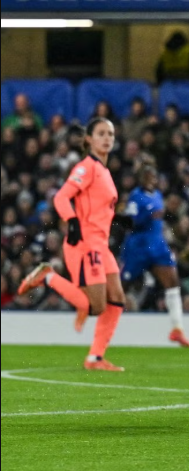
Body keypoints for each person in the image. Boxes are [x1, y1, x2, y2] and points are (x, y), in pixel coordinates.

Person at [18, 118, 128, 371]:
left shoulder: (104, 171)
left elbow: (97, 206)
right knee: (95, 306)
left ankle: (95, 358)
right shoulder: (86, 167)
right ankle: (47, 276)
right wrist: (72, 220)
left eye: (110, 134)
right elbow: (61, 197)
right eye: (101, 133)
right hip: (85, 242)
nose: (107, 138)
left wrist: (117, 218)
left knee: (117, 299)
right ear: (89, 139)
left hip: (100, 243)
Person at [119, 161, 189, 347]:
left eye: (153, 176)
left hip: (157, 245)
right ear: (141, 179)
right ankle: (104, 323)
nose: (151, 180)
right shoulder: (136, 196)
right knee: (121, 288)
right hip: (138, 247)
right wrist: (147, 215)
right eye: (147, 176)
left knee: (173, 283)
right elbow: (130, 223)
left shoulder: (158, 195)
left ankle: (177, 329)